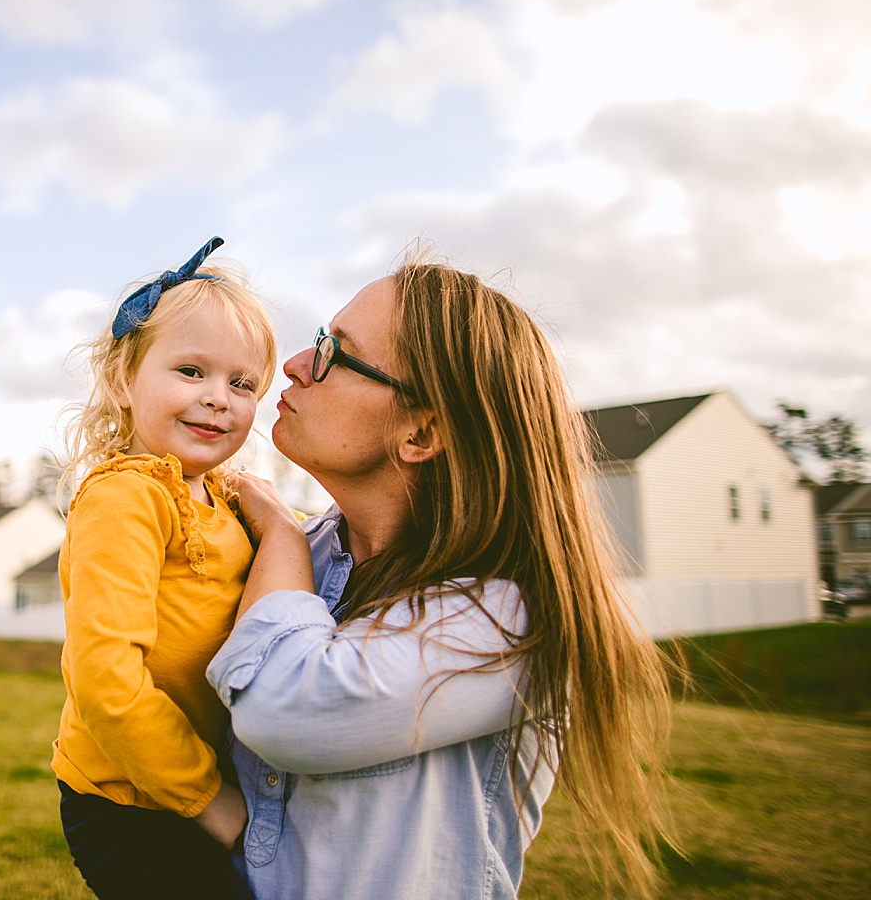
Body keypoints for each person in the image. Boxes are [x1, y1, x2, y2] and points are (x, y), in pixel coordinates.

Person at [206, 246, 673, 900]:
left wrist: (280, 531)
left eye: (338, 352)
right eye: (320, 339)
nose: (295, 365)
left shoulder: (510, 622)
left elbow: (287, 711)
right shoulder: (298, 561)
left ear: (421, 435)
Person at [52, 237, 276, 900]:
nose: (218, 398)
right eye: (191, 371)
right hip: (130, 799)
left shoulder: (222, 495)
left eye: (242, 384)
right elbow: (107, 682)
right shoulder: (128, 495)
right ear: (123, 381)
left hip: (188, 777)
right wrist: (211, 800)